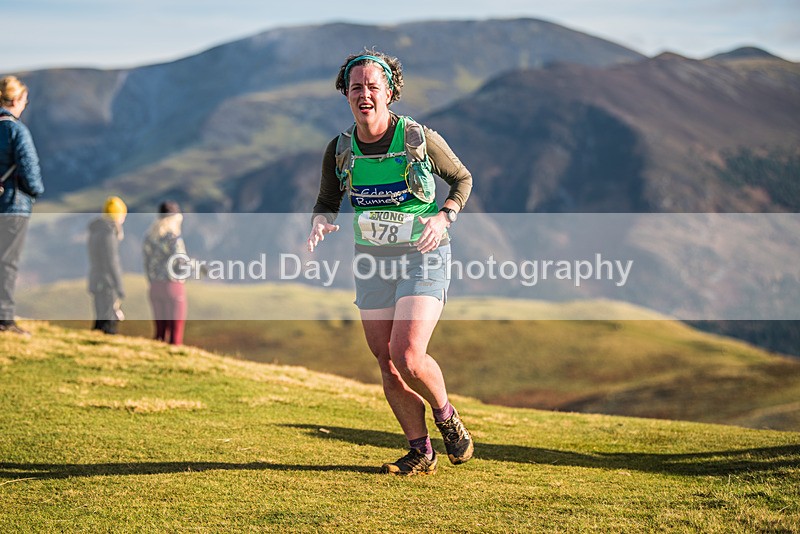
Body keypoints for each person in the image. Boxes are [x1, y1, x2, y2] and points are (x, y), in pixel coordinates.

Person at [307, 50, 474, 475]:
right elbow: (329, 200)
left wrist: (443, 215)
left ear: (390, 93)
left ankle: (447, 416)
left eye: (373, 86)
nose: (364, 94)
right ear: (346, 92)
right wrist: (321, 223)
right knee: (385, 359)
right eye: (356, 86)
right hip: (372, 261)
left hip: (424, 255)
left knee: (408, 354)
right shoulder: (340, 148)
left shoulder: (419, 138)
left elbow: (462, 179)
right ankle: (421, 452)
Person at [0, 76, 44, 336]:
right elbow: (30, 170)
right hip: (13, 205)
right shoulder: (17, 130)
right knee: (8, 262)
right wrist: (35, 191)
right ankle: (4, 319)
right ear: (16, 100)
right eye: (24, 101)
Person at [142, 200, 188, 345]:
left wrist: (152, 280)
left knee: (160, 332)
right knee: (175, 333)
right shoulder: (173, 239)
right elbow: (181, 261)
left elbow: (147, 263)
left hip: (155, 287)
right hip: (173, 286)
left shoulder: (150, 238)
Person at [87, 196, 127, 334]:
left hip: (96, 279)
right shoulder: (109, 234)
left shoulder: (96, 231)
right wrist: (119, 286)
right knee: (108, 320)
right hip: (107, 282)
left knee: (100, 316)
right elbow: (112, 261)